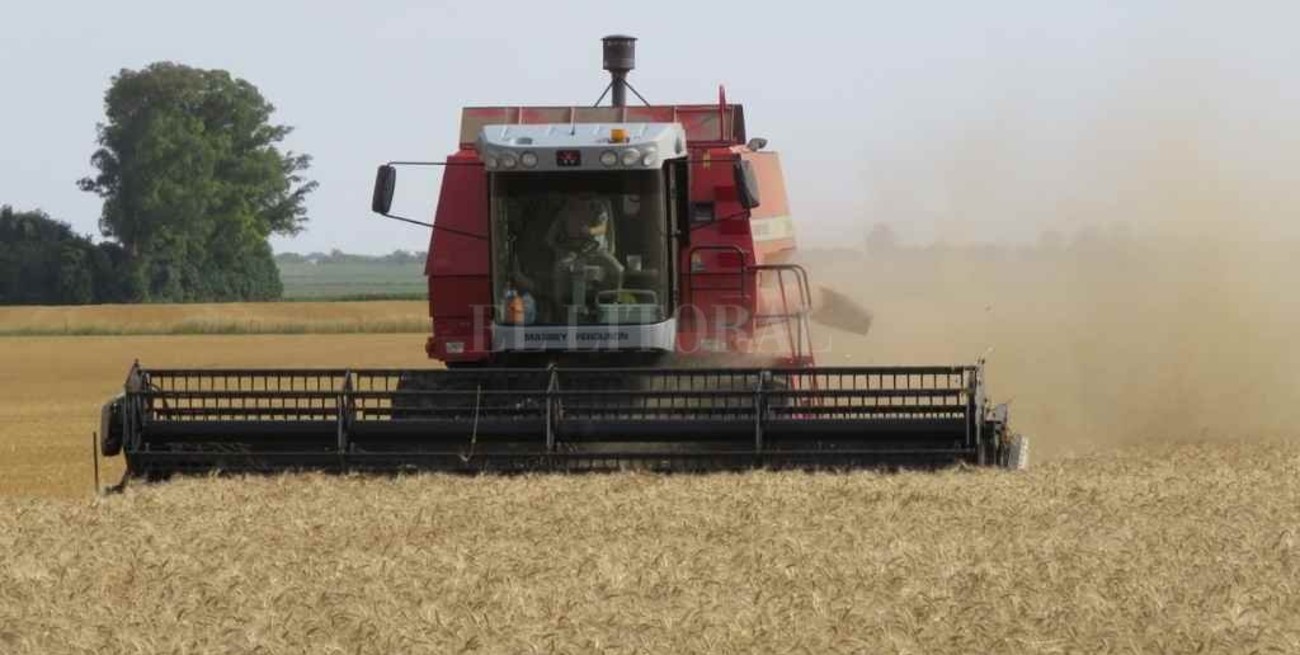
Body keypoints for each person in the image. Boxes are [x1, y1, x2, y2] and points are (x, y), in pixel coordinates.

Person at [545, 194, 624, 311]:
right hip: (573, 252)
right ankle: (560, 308)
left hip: (596, 251)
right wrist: (561, 249)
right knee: (560, 269)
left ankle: (611, 303)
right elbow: (550, 238)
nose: (582, 203)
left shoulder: (599, 207)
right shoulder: (565, 211)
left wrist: (590, 231)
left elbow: (602, 228)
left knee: (618, 270)